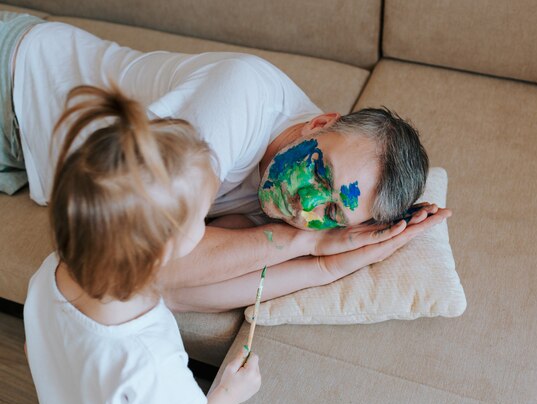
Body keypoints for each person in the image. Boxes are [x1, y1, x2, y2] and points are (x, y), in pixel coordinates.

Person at [4, 14, 451, 312]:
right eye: (321, 172)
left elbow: (169, 292)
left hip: (25, 154)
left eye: (333, 210)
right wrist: (302, 245)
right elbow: (138, 259)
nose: (305, 202)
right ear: (320, 123)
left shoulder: (288, 207)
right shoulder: (239, 99)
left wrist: (328, 264)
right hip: (16, 78)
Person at [23, 84, 261, 404]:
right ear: (161, 248)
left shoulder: (49, 273)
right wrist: (227, 394)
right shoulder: (150, 364)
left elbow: (34, 348)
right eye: (202, 216)